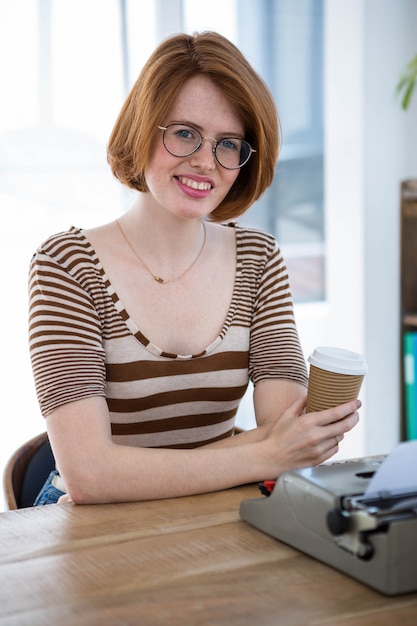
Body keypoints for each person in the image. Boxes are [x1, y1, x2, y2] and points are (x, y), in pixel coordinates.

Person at [29, 31, 360, 506]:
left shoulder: (259, 260)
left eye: (229, 143)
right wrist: (260, 454)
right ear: (143, 129)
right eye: (184, 133)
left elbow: (293, 440)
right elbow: (89, 476)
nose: (206, 162)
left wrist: (287, 445)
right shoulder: (65, 265)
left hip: (211, 508)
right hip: (90, 524)